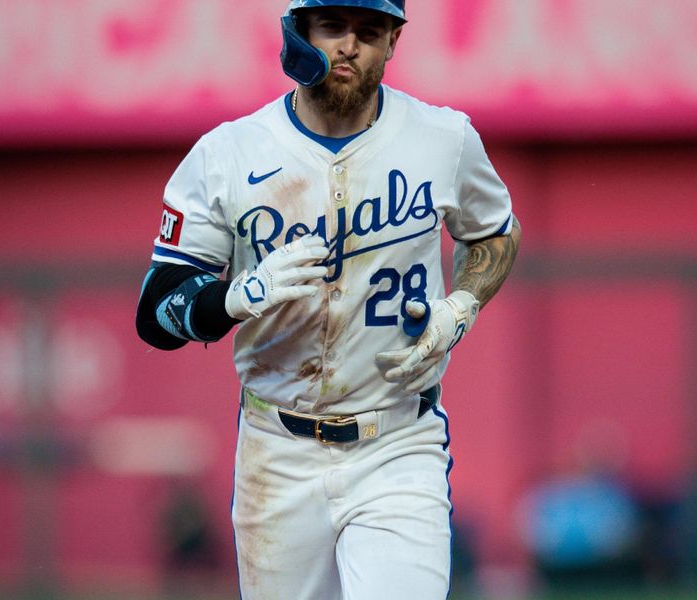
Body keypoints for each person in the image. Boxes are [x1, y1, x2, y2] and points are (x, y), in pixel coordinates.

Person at [135, 1, 521, 597]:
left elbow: (495, 230)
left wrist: (460, 306)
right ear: (299, 32)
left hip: (398, 440)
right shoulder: (228, 153)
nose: (349, 45)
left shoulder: (444, 138)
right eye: (333, 27)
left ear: (392, 43)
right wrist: (235, 298)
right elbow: (156, 312)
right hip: (277, 449)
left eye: (369, 32)